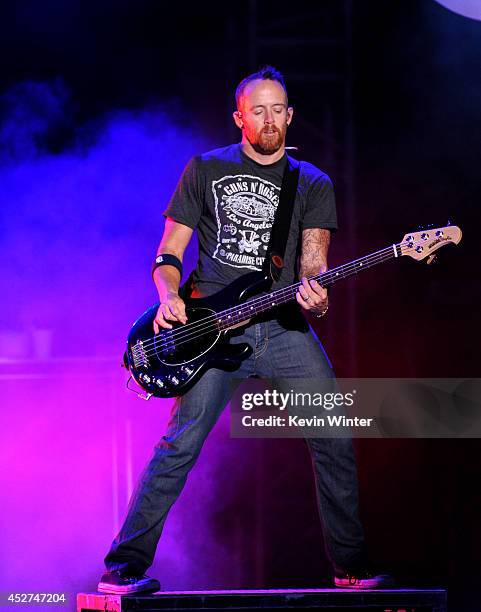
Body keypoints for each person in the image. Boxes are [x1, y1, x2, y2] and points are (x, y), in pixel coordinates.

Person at [98, 66, 392, 594]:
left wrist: (317, 297)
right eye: (258, 110)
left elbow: (313, 265)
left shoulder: (313, 183)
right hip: (209, 333)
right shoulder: (205, 170)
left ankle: (350, 567)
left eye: (279, 109)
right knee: (180, 445)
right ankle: (123, 568)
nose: (270, 119)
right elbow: (169, 252)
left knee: (334, 434)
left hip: (281, 328)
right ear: (240, 117)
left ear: (290, 115)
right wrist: (168, 297)